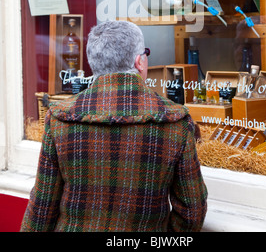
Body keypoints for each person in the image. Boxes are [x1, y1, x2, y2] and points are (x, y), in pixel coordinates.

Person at [20, 20, 207, 232]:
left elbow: (42, 208)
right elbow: (192, 211)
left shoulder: (60, 118)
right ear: (139, 62)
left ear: (94, 63)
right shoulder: (175, 121)